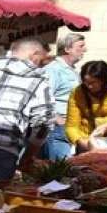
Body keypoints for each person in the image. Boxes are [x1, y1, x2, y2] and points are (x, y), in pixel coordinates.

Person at [0, 38, 52, 181]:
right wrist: (28, 155)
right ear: (34, 55)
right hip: (4, 150)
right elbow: (43, 124)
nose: (40, 65)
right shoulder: (39, 81)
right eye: (41, 61)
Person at [40, 32, 84, 161]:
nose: (84, 50)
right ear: (67, 48)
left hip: (69, 126)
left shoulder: (72, 70)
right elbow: (42, 97)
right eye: (80, 46)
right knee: (60, 170)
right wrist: (56, 118)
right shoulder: (53, 70)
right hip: (57, 128)